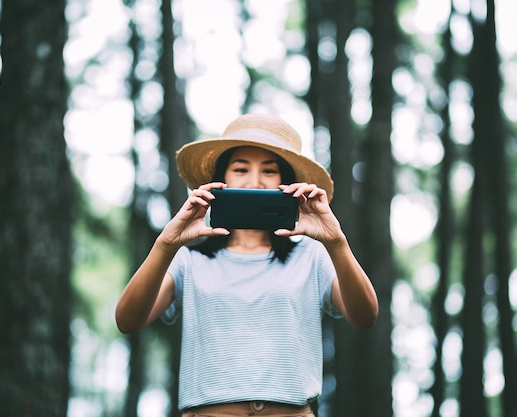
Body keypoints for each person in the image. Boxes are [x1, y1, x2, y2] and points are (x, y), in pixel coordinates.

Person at [115, 113, 379, 417]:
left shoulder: (312, 256)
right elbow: (128, 320)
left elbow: (365, 315)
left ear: (286, 184)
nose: (255, 181)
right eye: (241, 169)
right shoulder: (188, 260)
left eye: (269, 171)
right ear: (220, 180)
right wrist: (166, 244)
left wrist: (336, 243)